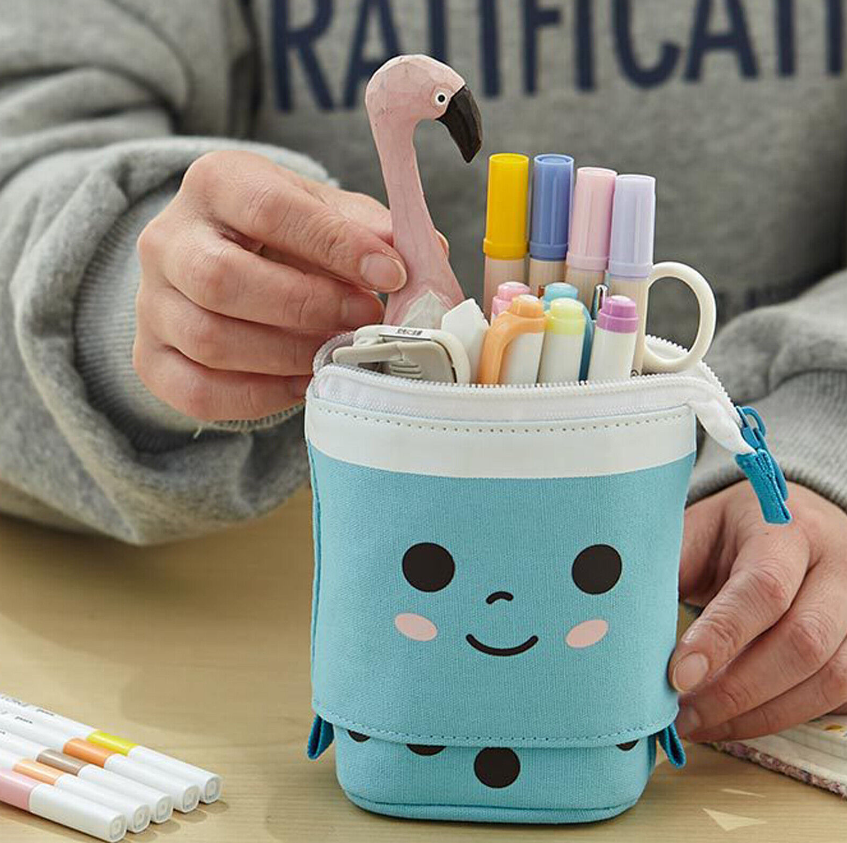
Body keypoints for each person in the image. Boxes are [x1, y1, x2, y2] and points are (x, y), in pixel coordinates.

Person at [1, 0, 845, 746]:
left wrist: (826, 424)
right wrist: (152, 300)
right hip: (279, 648)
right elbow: (22, 132)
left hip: (708, 612)